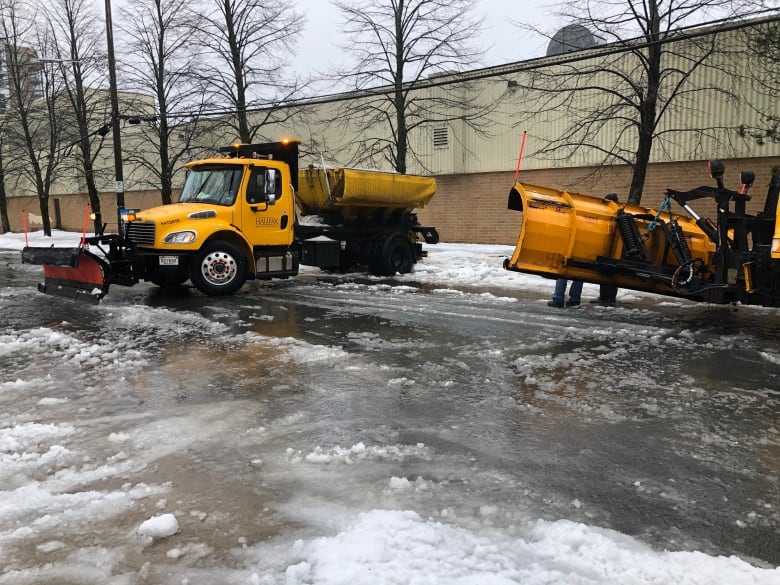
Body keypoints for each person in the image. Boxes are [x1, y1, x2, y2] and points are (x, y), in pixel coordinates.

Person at [591, 193, 620, 305]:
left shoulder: (616, 213)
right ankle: (604, 297)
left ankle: (609, 298)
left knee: (610, 273)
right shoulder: (611, 212)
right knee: (605, 272)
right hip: (608, 246)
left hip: (613, 248)